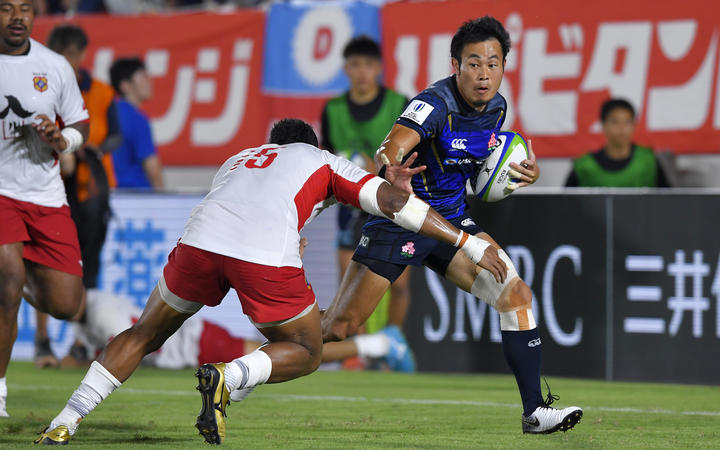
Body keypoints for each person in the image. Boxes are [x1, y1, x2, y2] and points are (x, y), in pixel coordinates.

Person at [36, 118, 506, 445]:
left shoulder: (241, 158)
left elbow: (254, 203)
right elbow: (393, 205)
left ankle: (65, 420)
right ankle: (230, 375)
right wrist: (466, 242)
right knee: (305, 349)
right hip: (260, 255)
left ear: (272, 142)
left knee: (144, 333)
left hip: (199, 244)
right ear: (313, 143)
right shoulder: (323, 160)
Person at [319, 17, 583, 435]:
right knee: (339, 327)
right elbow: (390, 148)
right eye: (474, 63)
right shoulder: (434, 103)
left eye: (493, 64)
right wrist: (391, 169)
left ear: (503, 67)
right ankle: (255, 364)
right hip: (404, 218)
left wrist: (516, 175)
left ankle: (534, 411)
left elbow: (480, 171)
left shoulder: (497, 108)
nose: (484, 74)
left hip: (452, 219)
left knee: (514, 292)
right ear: (454, 65)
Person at [0, 0, 89, 417]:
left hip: (45, 195)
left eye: (25, 8)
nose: (17, 16)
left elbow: (80, 123)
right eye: (5, 8)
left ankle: (14, 286)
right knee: (8, 278)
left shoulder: (54, 65)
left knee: (67, 305)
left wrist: (62, 140)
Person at [32, 24, 123, 369]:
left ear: (78, 55)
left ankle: (79, 343)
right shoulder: (42, 88)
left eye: (66, 56)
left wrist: (94, 148)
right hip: (50, 185)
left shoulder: (100, 92)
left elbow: (116, 136)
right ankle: (42, 341)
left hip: (92, 190)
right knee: (41, 263)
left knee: (89, 266)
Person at [321, 35, 413, 371]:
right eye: (355, 65)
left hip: (391, 202)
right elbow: (326, 157)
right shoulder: (333, 110)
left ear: (378, 68)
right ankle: (359, 353)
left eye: (368, 65)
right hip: (350, 206)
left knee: (400, 284)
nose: (362, 72)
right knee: (350, 283)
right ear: (346, 69)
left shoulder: (398, 103)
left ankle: (394, 345)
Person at [565, 98, 671, 187]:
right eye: (614, 122)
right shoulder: (584, 166)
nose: (622, 128)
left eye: (627, 121)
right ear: (603, 125)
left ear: (634, 125)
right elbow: (564, 204)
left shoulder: (648, 160)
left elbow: (668, 201)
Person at [109, 57, 164, 190]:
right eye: (143, 76)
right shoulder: (137, 119)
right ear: (125, 85)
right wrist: (163, 197)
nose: (149, 82)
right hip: (137, 197)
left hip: (111, 194)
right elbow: (152, 168)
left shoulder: (109, 112)